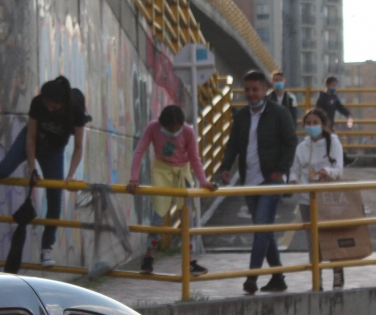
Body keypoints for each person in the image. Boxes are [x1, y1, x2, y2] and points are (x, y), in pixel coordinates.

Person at [0, 76, 87, 267]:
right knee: (2, 170)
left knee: (55, 197)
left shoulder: (75, 111)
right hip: (32, 140)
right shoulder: (38, 104)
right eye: (47, 105)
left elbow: (78, 147)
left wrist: (70, 175)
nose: (49, 109)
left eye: (53, 107)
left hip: (54, 151)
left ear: (62, 103)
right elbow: (30, 137)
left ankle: (46, 249)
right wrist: (31, 168)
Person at [218, 69, 299, 294]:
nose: (251, 94)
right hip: (249, 181)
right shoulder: (241, 116)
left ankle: (251, 278)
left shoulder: (279, 113)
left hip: (271, 180)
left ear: (266, 89)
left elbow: (291, 142)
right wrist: (225, 167)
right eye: (248, 90)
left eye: (256, 89)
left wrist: (280, 170)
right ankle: (278, 278)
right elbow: (233, 144)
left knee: (261, 229)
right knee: (264, 230)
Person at [127, 105, 217, 275]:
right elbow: (139, 152)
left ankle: (189, 261)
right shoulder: (153, 128)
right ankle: (148, 256)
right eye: (169, 130)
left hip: (182, 170)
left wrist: (203, 181)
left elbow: (194, 158)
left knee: (187, 217)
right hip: (161, 170)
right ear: (162, 125)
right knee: (159, 215)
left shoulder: (188, 131)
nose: (174, 132)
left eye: (177, 129)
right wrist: (134, 179)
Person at [289, 108, 346, 287]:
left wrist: (326, 171)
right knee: (312, 242)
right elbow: (295, 170)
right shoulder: (301, 148)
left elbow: (339, 170)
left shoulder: (333, 143)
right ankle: (317, 281)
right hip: (307, 200)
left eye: (315, 123)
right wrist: (292, 180)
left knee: (331, 238)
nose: (311, 126)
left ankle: (337, 274)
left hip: (328, 199)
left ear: (323, 125)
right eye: (308, 123)